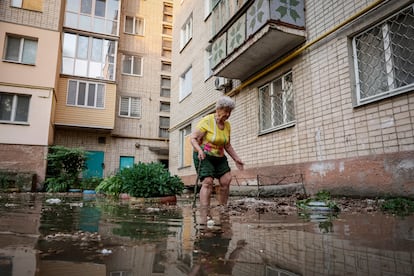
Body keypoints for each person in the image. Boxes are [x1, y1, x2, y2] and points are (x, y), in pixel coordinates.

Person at [190, 96, 244, 216]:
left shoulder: (227, 125)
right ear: (218, 109)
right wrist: (199, 150)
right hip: (204, 155)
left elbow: (227, 145)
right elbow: (193, 138)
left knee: (226, 180)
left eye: (230, 112)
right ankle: (205, 211)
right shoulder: (207, 121)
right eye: (226, 111)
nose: (228, 114)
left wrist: (236, 158)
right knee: (208, 182)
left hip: (219, 157)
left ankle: (223, 208)